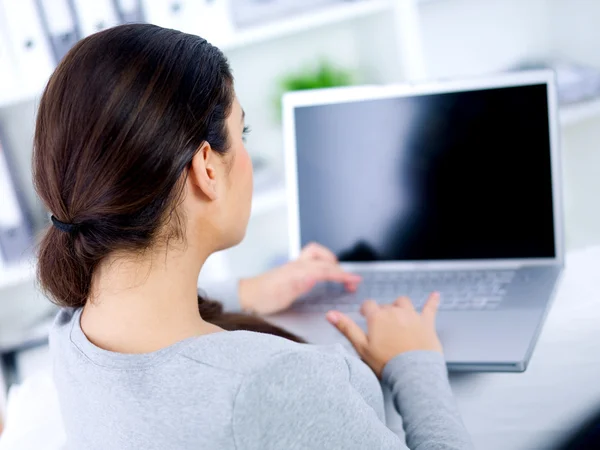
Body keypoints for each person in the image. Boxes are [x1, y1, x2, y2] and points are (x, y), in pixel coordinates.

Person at [34, 24, 473, 449]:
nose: (246, 154)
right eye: (240, 133)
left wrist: (250, 291)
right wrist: (413, 364)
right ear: (207, 168)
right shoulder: (275, 385)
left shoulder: (74, 333)